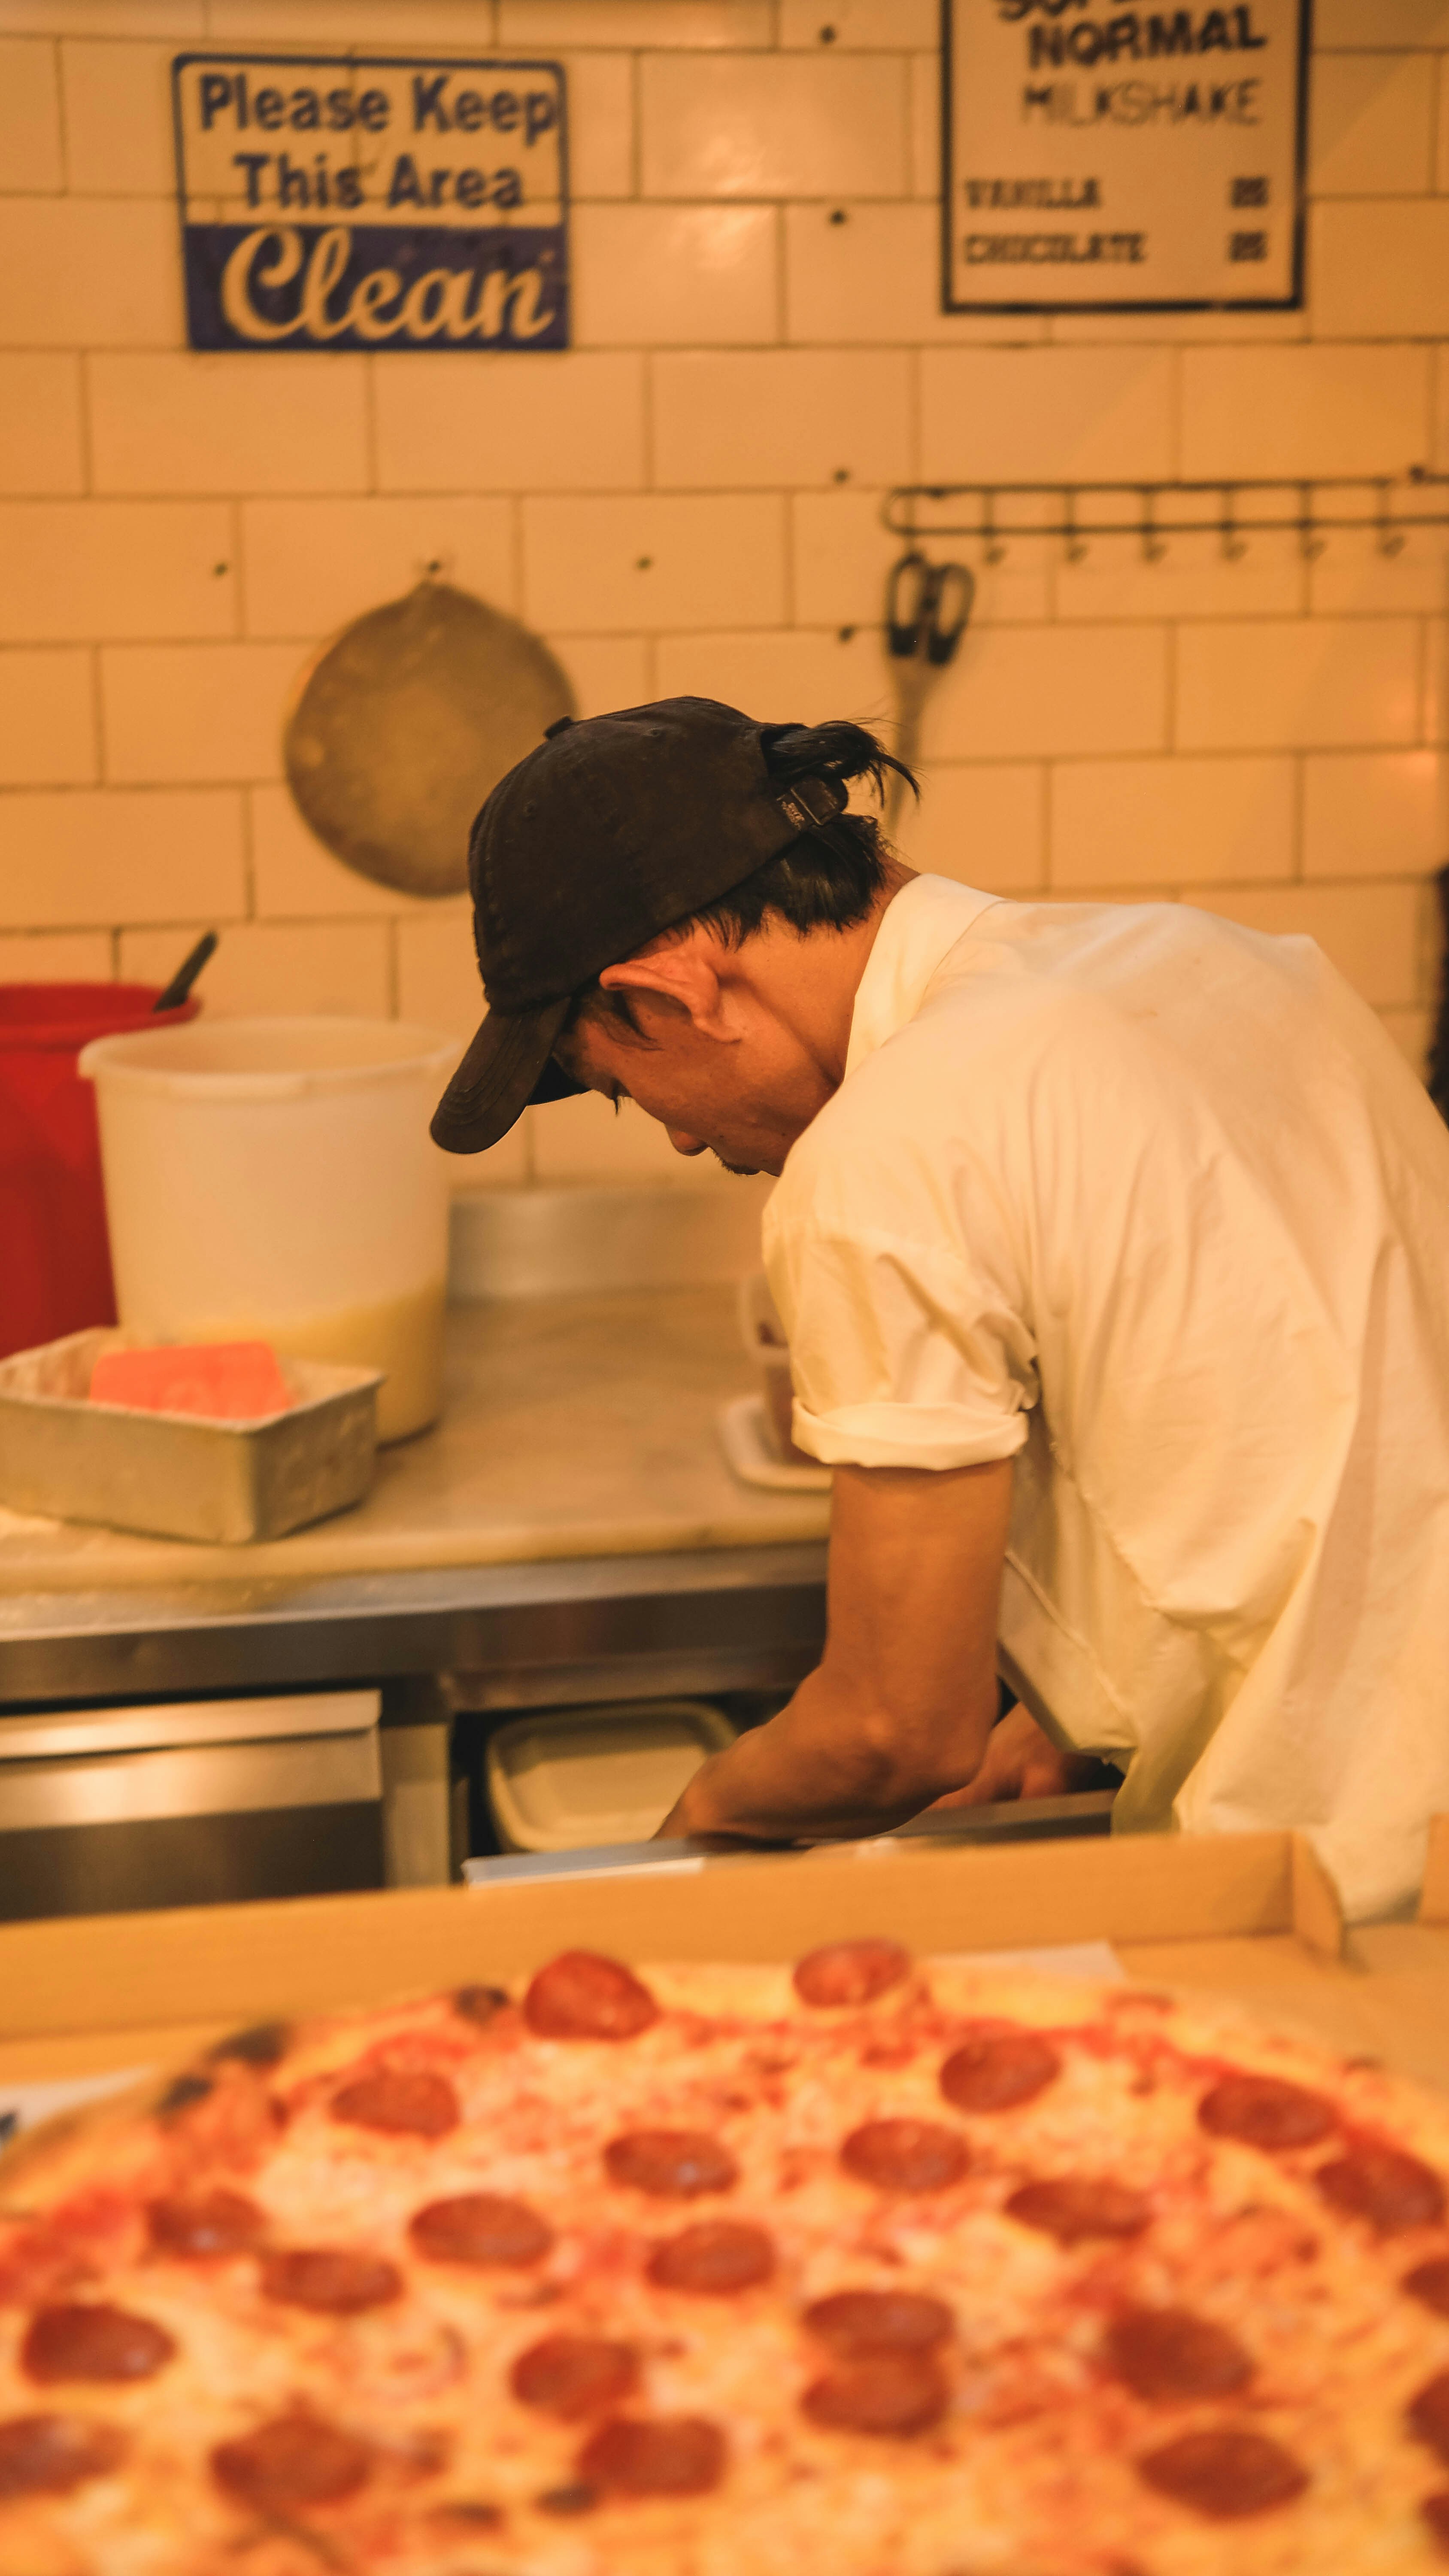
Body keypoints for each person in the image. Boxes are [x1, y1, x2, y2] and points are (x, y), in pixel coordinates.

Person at [432, 697, 1449, 1922]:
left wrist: (697, 1824)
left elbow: (894, 1733)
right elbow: (1297, 1412)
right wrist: (1085, 1707)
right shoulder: (1217, 962)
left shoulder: (886, 1160)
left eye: (620, 1086)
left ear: (673, 993)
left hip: (1364, 1896)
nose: (682, 1134)